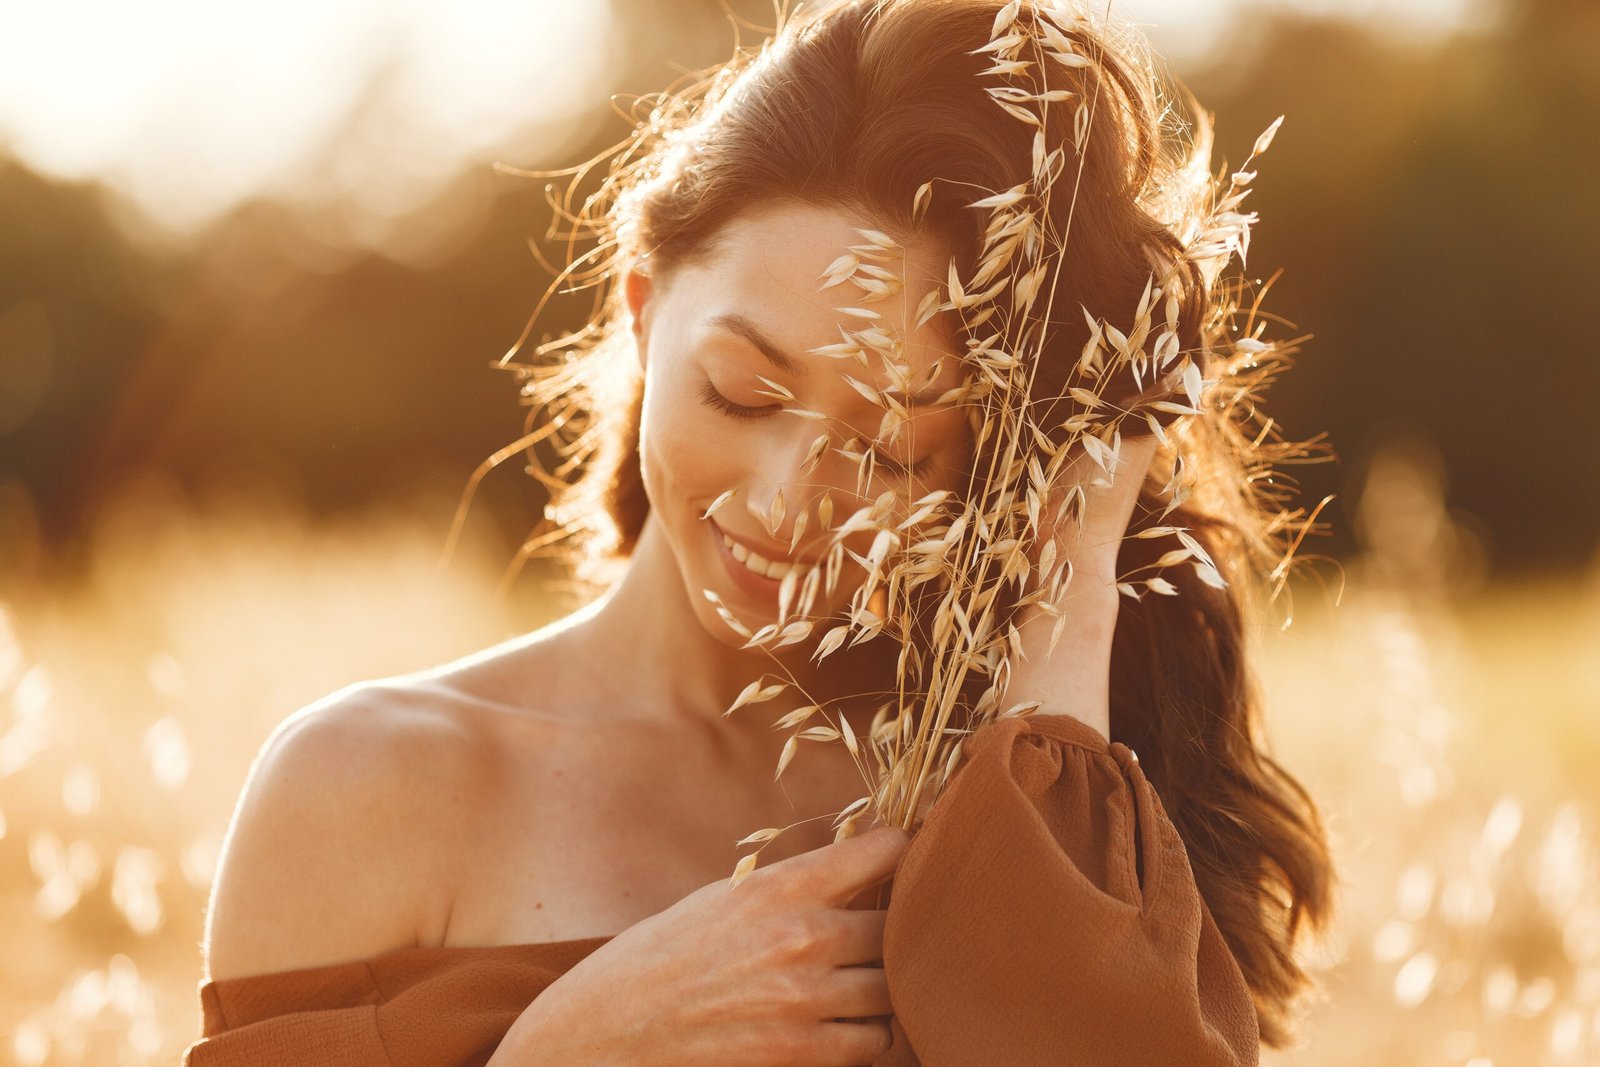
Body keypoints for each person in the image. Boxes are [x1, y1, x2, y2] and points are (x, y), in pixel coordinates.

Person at [185, 1, 1335, 1063]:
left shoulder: (1015, 807)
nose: (791, 501)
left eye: (892, 453)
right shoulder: (366, 787)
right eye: (742, 390)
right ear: (640, 310)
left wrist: (1075, 578)